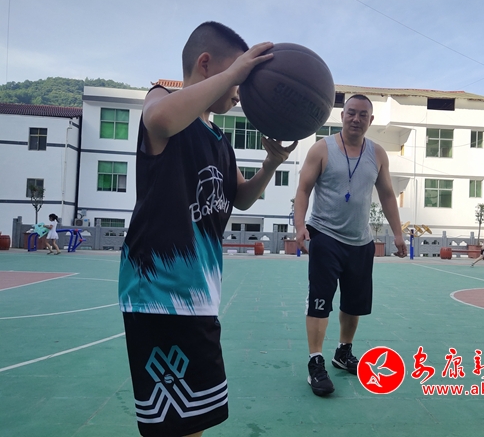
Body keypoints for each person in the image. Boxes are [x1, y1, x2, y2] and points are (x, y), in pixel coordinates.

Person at [118, 22, 297, 437]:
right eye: (238, 78)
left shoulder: (219, 138)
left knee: (194, 420)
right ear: (205, 64)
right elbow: (159, 120)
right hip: (159, 293)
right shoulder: (161, 99)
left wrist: (271, 164)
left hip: (199, 293)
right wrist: (237, 71)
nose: (240, 92)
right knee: (174, 425)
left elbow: (242, 198)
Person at [294, 94, 408, 397]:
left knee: (354, 303)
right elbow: (303, 189)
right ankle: (315, 361)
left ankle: (343, 352)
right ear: (342, 115)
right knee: (320, 300)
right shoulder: (322, 149)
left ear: (371, 120)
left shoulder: (377, 154)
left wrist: (397, 234)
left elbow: (387, 195)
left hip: (360, 241)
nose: (356, 119)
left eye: (363, 115)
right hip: (325, 235)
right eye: (351, 113)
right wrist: (300, 226)